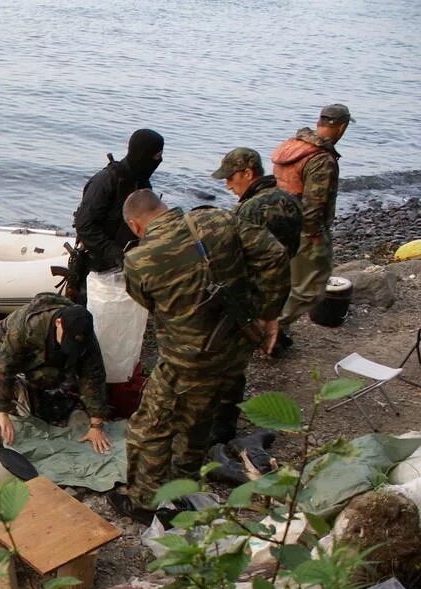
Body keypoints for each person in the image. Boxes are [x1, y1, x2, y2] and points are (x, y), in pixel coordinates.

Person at [110, 190, 289, 525]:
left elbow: (148, 303)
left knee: (149, 426)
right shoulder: (218, 219)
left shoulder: (139, 260)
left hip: (188, 358)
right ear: (164, 206)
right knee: (200, 411)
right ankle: (185, 479)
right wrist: (269, 312)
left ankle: (142, 501)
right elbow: (274, 255)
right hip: (236, 345)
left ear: (136, 225)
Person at [208, 146, 303, 442]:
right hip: (273, 291)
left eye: (230, 177)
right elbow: (290, 252)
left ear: (248, 173)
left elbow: (232, 256)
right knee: (238, 361)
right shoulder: (290, 200)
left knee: (226, 365)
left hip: (245, 296)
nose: (227, 183)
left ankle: (220, 431)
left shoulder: (247, 211)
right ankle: (226, 424)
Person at [0, 293, 112, 453]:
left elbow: (93, 376)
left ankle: (34, 393)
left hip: (39, 361)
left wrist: (96, 425)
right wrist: (1, 411)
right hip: (1, 347)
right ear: (59, 323)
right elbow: (5, 365)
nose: (71, 346)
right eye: (67, 340)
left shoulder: (86, 336)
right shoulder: (28, 325)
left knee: (47, 379)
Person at [270, 103, 353, 353]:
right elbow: (314, 204)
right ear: (342, 127)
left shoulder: (292, 145)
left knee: (283, 281)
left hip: (279, 222)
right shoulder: (321, 158)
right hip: (304, 230)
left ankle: (276, 331)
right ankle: (271, 328)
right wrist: (315, 235)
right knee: (312, 289)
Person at [69, 128, 165, 301]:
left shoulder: (142, 183)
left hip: (124, 265)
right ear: (143, 154)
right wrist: (116, 254)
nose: (159, 161)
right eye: (156, 156)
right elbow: (84, 225)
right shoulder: (106, 181)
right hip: (96, 268)